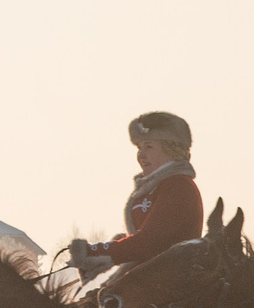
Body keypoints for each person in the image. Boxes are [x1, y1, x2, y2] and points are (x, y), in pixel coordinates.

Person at [67, 111, 203, 280]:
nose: (141, 154)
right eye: (139, 148)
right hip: (148, 278)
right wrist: (112, 252)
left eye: (149, 146)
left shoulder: (178, 186)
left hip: (170, 282)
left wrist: (96, 251)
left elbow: (149, 242)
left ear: (171, 150)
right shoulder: (155, 187)